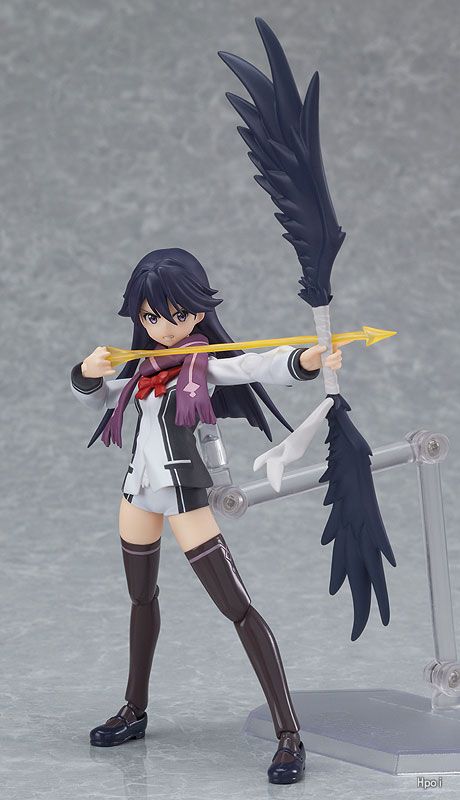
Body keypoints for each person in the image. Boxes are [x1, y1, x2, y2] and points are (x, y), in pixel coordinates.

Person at [70, 247, 342, 784]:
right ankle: (134, 709)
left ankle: (289, 734)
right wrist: (85, 374)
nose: (163, 326)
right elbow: (101, 397)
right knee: (140, 599)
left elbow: (251, 365)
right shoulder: (144, 368)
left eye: (176, 314)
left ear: (197, 311)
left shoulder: (201, 364)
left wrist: (304, 362)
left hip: (183, 493)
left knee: (238, 609)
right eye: (151, 316)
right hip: (138, 492)